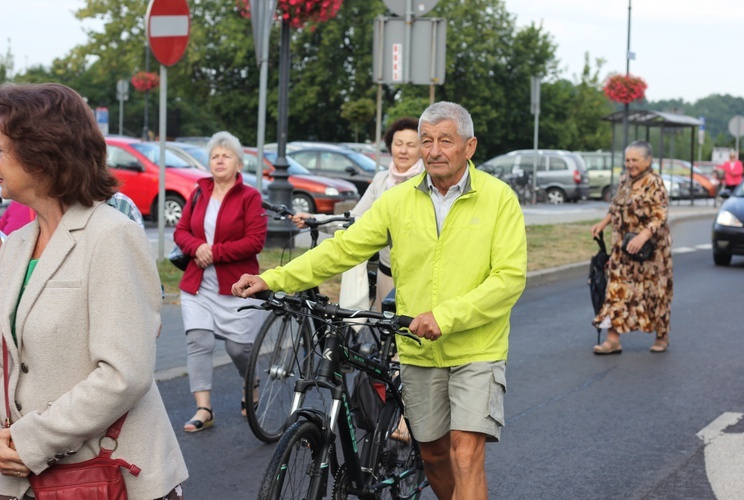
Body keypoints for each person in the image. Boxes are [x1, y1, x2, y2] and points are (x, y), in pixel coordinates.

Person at [232, 101, 527, 500]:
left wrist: (446, 316)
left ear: (469, 147)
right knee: (435, 454)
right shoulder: (398, 200)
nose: (434, 150)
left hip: (476, 347)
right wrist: (273, 278)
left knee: (465, 451)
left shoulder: (499, 199)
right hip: (419, 349)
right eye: (427, 141)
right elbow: (343, 249)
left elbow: (508, 279)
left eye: (445, 140)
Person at [0, 83, 187, 499]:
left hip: (105, 472)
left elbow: (124, 374)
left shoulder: (112, 236)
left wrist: (31, 440)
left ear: (42, 154)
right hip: (21, 478)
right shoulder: (14, 244)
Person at [173, 131, 267, 433]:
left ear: (238, 163)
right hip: (198, 286)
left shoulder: (250, 197)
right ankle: (204, 408)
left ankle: (250, 380)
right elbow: (181, 231)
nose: (220, 160)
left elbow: (255, 241)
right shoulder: (199, 192)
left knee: (239, 349)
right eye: (215, 155)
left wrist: (214, 252)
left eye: (226, 155)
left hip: (237, 287)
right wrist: (196, 248)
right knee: (198, 342)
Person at [292, 117, 424, 310]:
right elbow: (355, 218)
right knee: (384, 335)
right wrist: (316, 219)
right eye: (398, 144)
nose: (403, 150)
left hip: (417, 276)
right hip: (386, 272)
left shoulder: (426, 181)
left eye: (411, 145)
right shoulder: (381, 180)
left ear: (422, 149)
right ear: (390, 147)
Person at [591, 140, 673, 354]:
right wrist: (602, 224)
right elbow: (615, 207)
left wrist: (644, 236)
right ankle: (612, 339)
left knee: (655, 294)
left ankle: (661, 336)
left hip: (651, 253)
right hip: (623, 249)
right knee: (616, 290)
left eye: (635, 160)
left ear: (648, 160)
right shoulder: (624, 180)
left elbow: (660, 215)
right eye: (627, 160)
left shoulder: (654, 182)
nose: (630, 164)